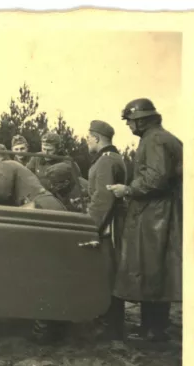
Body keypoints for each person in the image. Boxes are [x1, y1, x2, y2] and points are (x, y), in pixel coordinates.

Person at [107, 98, 183, 343]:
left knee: (151, 268)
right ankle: (153, 326)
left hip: (155, 214)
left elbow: (156, 178)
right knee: (155, 269)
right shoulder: (161, 138)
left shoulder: (155, 140)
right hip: (159, 211)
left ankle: (153, 330)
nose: (128, 126)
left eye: (129, 121)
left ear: (141, 119)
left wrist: (127, 190)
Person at [86, 120, 128, 341]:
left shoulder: (105, 162)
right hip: (114, 221)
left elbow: (102, 199)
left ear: (96, 138)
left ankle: (110, 326)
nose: (87, 141)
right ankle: (111, 323)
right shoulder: (114, 158)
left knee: (107, 271)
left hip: (108, 224)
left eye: (88, 137)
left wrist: (89, 227)